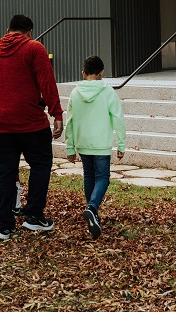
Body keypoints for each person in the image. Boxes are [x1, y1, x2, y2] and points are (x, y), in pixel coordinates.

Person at [0, 14, 64, 241]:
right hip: (27, 120)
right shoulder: (34, 48)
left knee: (4, 171)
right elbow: (47, 81)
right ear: (29, 32)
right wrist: (56, 113)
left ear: (8, 30)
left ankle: (4, 226)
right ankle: (33, 216)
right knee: (40, 163)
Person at [65, 55, 126, 239]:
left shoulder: (75, 93)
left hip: (83, 144)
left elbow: (70, 121)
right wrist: (121, 143)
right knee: (103, 178)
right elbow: (118, 118)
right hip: (101, 145)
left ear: (83, 73)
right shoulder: (108, 92)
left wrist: (70, 147)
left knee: (89, 177)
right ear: (102, 74)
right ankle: (92, 207)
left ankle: (93, 215)